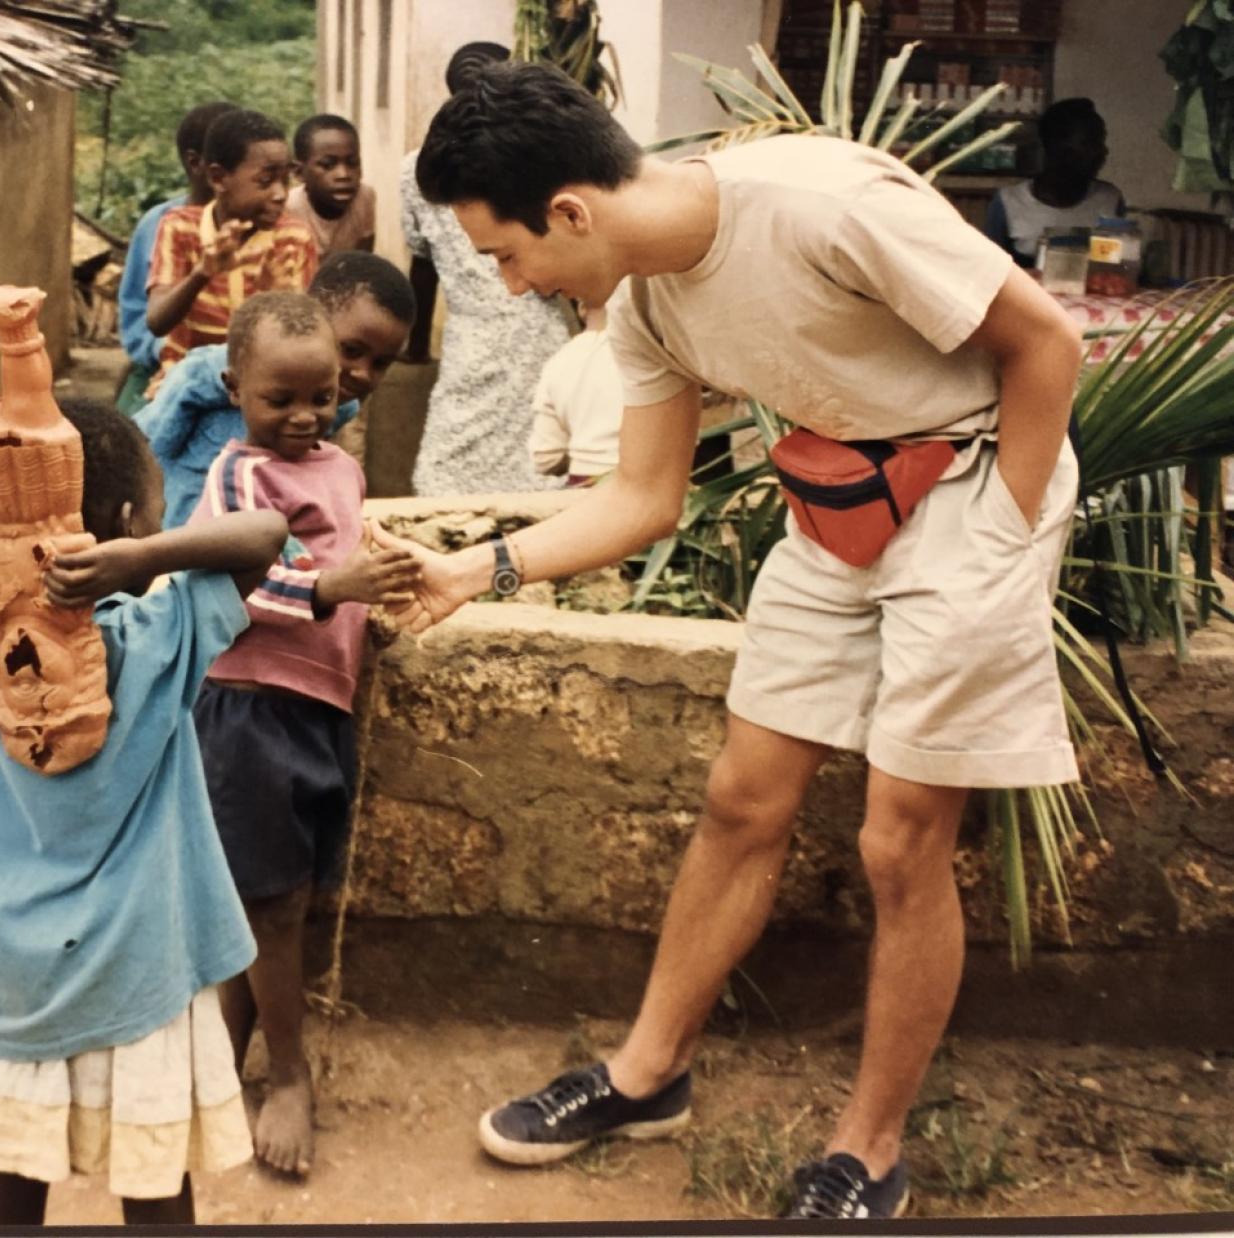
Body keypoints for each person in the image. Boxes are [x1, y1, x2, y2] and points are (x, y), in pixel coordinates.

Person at [372, 62, 1084, 1219]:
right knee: (742, 798)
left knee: (902, 839)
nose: (508, 288)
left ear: (570, 211)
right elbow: (644, 496)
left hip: (974, 483)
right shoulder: (648, 300)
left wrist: (1002, 531)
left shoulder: (818, 203)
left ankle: (868, 1146)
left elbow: (1045, 340)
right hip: (839, 498)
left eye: (505, 256)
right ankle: (647, 1073)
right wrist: (473, 567)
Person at [0, 399, 289, 1226]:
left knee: (11, 1182)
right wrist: (136, 558)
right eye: (153, 513)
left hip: (11, 975)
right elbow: (264, 533)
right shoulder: (152, 636)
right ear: (121, 523)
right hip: (136, 970)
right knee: (154, 1186)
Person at [186, 292, 421, 1179]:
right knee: (273, 905)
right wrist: (336, 587)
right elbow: (237, 584)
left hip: (319, 706)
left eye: (320, 395)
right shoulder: (239, 477)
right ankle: (289, 1076)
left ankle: (220, 1055)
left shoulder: (342, 468)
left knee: (277, 892)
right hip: (251, 707)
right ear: (234, 386)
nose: (304, 416)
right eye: (278, 398)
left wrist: (381, 577)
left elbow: (347, 552)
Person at [137, 251, 416, 530]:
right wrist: (145, 501)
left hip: (262, 530)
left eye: (380, 363)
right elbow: (148, 439)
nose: (362, 373)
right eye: (351, 350)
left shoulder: (343, 405)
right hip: (186, 524)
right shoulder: (232, 367)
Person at [401, 42, 571, 496]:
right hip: (517, 330)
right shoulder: (534, 164)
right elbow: (423, 263)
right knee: (529, 454)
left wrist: (417, 348)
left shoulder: (417, 170)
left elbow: (423, 266)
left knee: (454, 459)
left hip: (500, 334)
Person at [145, 109, 319, 399]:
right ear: (218, 178)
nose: (279, 194)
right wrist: (202, 272)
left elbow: (302, 342)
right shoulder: (179, 227)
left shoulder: (294, 238)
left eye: (285, 180)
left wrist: (273, 301)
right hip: (185, 380)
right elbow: (157, 321)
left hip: (260, 384)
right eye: (265, 181)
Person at [115, 100, 238, 415]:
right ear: (196, 164)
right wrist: (164, 352)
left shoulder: (259, 229)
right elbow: (137, 314)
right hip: (167, 365)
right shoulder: (160, 224)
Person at [984, 98, 1126, 266]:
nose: (1102, 151)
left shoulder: (1110, 201)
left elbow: (1117, 271)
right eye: (1089, 143)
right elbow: (990, 271)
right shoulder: (1008, 203)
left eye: (1101, 142)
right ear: (1055, 147)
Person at [528, 303, 623, 486]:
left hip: (583, 484)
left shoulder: (558, 361)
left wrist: (587, 454)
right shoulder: (650, 349)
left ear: (581, 308)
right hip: (648, 484)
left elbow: (545, 458)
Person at [287, 114, 377, 260]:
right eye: (328, 165)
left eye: (352, 163)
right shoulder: (289, 209)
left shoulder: (364, 197)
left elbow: (363, 258)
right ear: (299, 172)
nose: (343, 174)